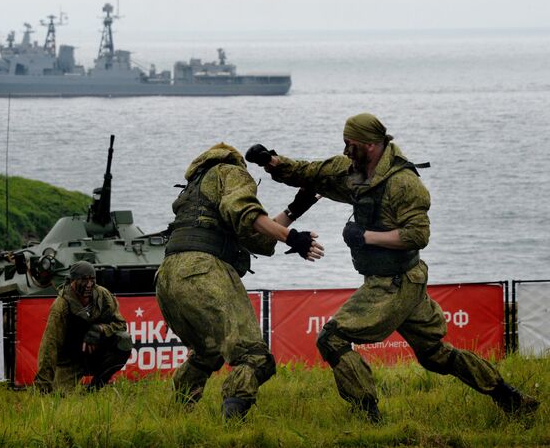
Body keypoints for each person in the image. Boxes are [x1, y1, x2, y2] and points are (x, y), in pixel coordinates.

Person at [246, 113, 539, 422]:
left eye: (351, 144)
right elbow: (311, 173)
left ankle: (368, 415)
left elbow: (417, 235)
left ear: (372, 145)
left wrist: (365, 236)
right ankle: (510, 398)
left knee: (330, 339)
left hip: (394, 282)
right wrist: (272, 161)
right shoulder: (352, 170)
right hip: (400, 281)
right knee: (436, 355)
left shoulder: (404, 184)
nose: (346, 150)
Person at [156, 142, 324, 419]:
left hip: (168, 277)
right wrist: (293, 238)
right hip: (203, 271)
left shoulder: (194, 189)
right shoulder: (230, 171)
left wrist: (297, 207)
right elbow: (246, 213)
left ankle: (178, 414)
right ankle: (233, 422)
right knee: (255, 357)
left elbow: (255, 235)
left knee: (207, 352)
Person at [34, 261, 133, 394]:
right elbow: (50, 345)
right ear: (72, 281)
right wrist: (43, 384)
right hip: (71, 359)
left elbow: (121, 324)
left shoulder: (103, 295)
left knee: (124, 340)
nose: (89, 285)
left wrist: (100, 329)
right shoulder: (61, 306)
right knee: (59, 396)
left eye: (92, 280)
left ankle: (96, 386)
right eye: (84, 280)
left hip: (96, 353)